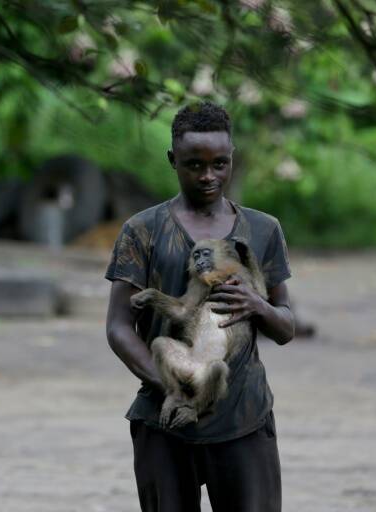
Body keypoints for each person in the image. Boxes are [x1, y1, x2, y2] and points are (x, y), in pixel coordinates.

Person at [105, 101, 295, 512]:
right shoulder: (143, 230)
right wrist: (175, 387)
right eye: (194, 164)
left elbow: (286, 326)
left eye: (219, 164)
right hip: (164, 418)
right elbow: (119, 327)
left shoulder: (262, 231)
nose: (208, 175)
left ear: (231, 160)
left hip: (244, 418)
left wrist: (258, 305)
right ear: (173, 160)